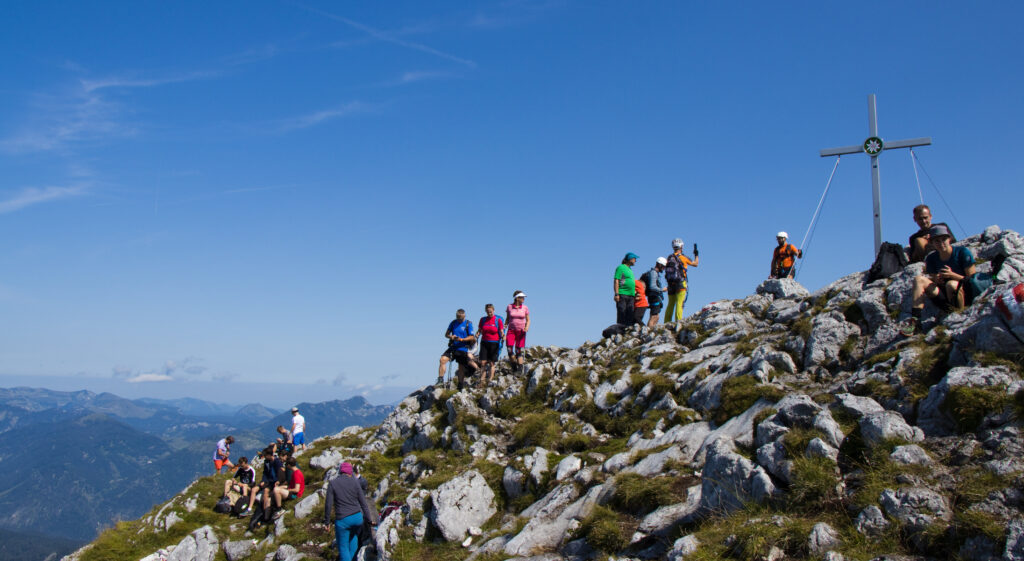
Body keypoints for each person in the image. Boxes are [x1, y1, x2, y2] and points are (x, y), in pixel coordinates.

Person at [903, 224, 976, 335]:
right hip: (943, 296)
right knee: (919, 279)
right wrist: (936, 279)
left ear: (949, 239)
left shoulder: (962, 252)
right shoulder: (932, 258)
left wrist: (952, 275)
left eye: (944, 239)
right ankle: (915, 320)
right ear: (931, 243)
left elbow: (972, 279)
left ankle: (958, 314)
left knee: (951, 284)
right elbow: (932, 276)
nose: (941, 243)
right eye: (937, 241)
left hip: (963, 294)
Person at [324, 462, 377, 561]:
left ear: (340, 471)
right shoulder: (355, 482)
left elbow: (328, 505)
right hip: (357, 518)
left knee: (343, 548)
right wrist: (369, 520)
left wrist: (327, 522)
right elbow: (363, 503)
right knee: (353, 540)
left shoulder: (333, 483)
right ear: (350, 472)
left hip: (343, 520)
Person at [436, 309, 479, 386]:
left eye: (461, 318)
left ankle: (460, 384)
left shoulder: (468, 324)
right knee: (442, 359)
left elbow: (472, 337)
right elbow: (446, 334)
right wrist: (451, 337)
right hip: (453, 346)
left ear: (464, 316)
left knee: (461, 367)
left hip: (463, 348)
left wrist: (462, 339)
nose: (459, 320)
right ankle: (440, 379)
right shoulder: (453, 323)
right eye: (458, 318)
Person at [665, 239, 698, 322]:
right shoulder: (683, 257)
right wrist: (696, 255)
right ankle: (678, 322)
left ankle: (666, 323)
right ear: (681, 247)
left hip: (670, 284)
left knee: (670, 304)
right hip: (680, 283)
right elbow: (695, 264)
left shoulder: (669, 257)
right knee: (679, 304)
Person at [244, 447, 283, 516]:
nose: (264, 457)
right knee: (254, 490)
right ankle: (249, 509)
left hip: (273, 482)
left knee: (265, 491)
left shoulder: (277, 462)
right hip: (267, 481)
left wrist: (275, 481)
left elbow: (279, 474)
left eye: (265, 455)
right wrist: (263, 481)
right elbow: (265, 472)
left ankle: (264, 511)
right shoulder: (266, 462)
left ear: (269, 455)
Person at [475, 304, 504, 388]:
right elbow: (480, 330)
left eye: (490, 312)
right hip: (484, 342)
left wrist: (503, 336)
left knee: (491, 362)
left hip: (494, 343)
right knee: (483, 362)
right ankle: (482, 381)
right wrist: (477, 335)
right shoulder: (483, 319)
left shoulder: (498, 320)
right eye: (488, 312)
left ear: (493, 310)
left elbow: (501, 331)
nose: (489, 313)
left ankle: (490, 380)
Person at [505, 291, 530, 373]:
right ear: (517, 298)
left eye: (523, 297)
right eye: (522, 297)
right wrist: (505, 326)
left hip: (521, 331)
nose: (523, 299)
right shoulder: (509, 307)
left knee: (518, 350)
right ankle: (513, 365)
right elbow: (508, 318)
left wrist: (526, 327)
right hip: (511, 330)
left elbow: (528, 320)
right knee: (509, 349)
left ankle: (519, 369)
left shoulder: (525, 308)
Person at [641, 257, 668, 328]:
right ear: (660, 265)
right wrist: (662, 290)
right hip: (654, 297)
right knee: (654, 317)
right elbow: (652, 286)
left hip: (654, 297)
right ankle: (648, 331)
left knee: (656, 316)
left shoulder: (654, 273)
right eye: (663, 267)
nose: (664, 269)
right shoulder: (654, 273)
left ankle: (649, 331)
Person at [614, 253, 638, 325]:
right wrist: (616, 294)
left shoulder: (630, 270)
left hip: (631, 295)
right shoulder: (621, 267)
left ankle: (627, 331)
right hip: (622, 294)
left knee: (630, 314)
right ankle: (620, 330)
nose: (635, 261)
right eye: (634, 259)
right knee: (622, 312)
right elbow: (616, 280)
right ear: (630, 259)